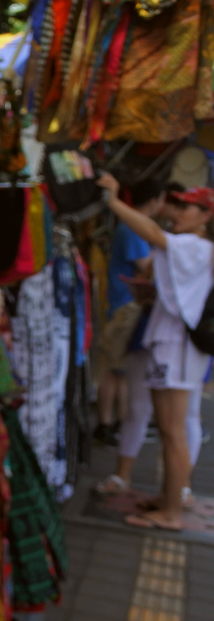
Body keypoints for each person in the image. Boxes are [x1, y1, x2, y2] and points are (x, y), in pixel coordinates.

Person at [96, 174, 214, 530]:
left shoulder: (196, 246)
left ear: (205, 215)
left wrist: (114, 202)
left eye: (184, 206)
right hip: (173, 346)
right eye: (173, 202)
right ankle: (168, 499)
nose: (173, 210)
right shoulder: (192, 247)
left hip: (176, 348)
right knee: (169, 429)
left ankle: (172, 512)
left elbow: (151, 234)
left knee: (173, 430)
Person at [93, 180, 165, 445]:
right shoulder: (134, 230)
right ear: (155, 200)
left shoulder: (133, 228)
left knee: (120, 369)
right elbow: (146, 267)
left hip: (126, 305)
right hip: (125, 306)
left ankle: (118, 422)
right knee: (113, 368)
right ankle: (105, 422)